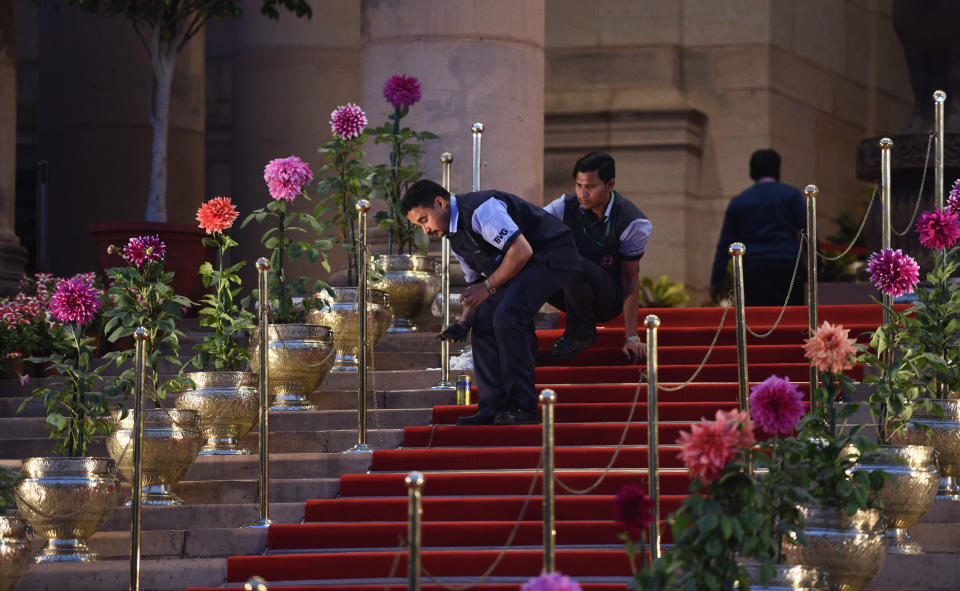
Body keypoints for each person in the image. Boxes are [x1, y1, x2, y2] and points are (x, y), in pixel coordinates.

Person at [402, 180, 580, 425]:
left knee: (508, 317)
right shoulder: (455, 238)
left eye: (424, 220)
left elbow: (522, 251)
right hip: (518, 267)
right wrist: (463, 323)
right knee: (484, 322)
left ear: (440, 203)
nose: (425, 231)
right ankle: (492, 406)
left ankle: (523, 406)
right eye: (418, 226)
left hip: (551, 254)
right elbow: (475, 286)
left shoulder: (481, 209)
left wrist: (488, 288)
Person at [542, 152, 652, 362]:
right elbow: (531, 228)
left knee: (571, 259)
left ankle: (581, 332)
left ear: (609, 185)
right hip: (570, 291)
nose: (583, 193)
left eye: (590, 187)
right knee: (533, 257)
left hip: (607, 299)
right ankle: (522, 333)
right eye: (579, 185)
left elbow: (630, 280)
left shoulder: (633, 221)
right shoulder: (564, 206)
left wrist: (631, 336)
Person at [709, 149, 806, 306]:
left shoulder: (739, 201)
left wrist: (716, 280)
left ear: (752, 171)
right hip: (787, 268)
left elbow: (725, 244)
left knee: (757, 324)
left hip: (753, 270)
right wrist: (818, 267)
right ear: (777, 170)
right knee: (790, 323)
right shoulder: (792, 195)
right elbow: (807, 233)